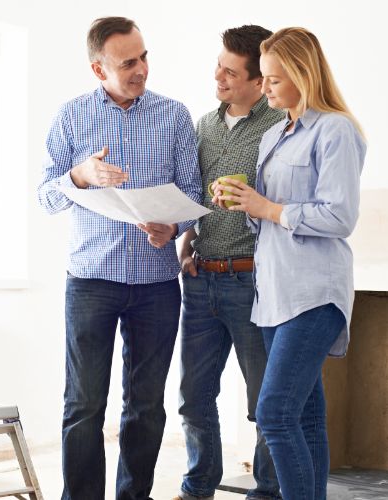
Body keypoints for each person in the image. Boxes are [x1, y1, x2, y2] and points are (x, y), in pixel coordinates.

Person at [37, 16, 201, 500]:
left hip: (156, 284)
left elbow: (193, 193)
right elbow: (45, 196)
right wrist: (81, 176)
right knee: (84, 404)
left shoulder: (173, 116)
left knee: (147, 406)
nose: (141, 69)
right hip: (91, 280)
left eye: (144, 56)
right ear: (98, 68)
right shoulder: (71, 116)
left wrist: (173, 226)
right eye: (128, 62)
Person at [211, 27, 366, 500]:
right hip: (273, 293)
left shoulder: (335, 129)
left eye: (275, 79)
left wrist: (267, 208)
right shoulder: (275, 133)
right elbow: (268, 214)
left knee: (274, 413)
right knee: (304, 417)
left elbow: (339, 216)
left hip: (315, 293)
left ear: (303, 74)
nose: (267, 87)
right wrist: (241, 202)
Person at [174, 26, 283, 500]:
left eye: (230, 71)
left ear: (259, 82)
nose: (218, 76)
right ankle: (198, 487)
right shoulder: (203, 124)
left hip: (254, 280)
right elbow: (193, 194)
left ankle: (268, 491)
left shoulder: (280, 125)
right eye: (218, 65)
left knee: (265, 402)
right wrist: (187, 235)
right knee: (194, 399)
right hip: (201, 280)